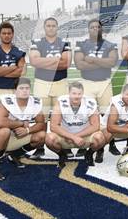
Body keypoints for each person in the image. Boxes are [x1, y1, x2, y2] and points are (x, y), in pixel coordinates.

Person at [0, 77, 46, 181]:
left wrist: (27, 130)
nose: (25, 91)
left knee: (42, 136)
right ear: (15, 90)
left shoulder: (34, 102)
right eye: (21, 88)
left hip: (17, 136)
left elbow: (41, 123)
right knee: (4, 131)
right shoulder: (7, 101)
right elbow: (0, 123)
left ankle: (14, 155)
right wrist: (21, 123)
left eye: (27, 88)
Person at [74, 19, 119, 155]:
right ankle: (85, 145)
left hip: (104, 83)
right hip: (87, 83)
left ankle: (109, 143)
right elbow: (79, 64)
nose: (95, 29)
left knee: (108, 115)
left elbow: (112, 62)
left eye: (97, 27)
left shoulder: (110, 45)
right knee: (86, 115)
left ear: (101, 29)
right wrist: (102, 63)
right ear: (88, 29)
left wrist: (92, 60)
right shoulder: (81, 44)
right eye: (92, 27)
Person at [29, 17, 72, 159]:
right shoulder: (36, 43)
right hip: (42, 83)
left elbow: (66, 63)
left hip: (60, 82)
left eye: (53, 25)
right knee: (41, 117)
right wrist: (55, 61)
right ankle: (40, 147)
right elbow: (34, 61)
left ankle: (65, 147)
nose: (51, 28)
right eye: (48, 25)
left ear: (57, 27)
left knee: (63, 116)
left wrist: (44, 61)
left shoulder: (64, 43)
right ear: (44, 27)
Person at [45, 82, 106, 167]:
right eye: (74, 93)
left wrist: (76, 136)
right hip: (65, 137)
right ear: (69, 93)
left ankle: (89, 154)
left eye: (79, 94)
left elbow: (95, 126)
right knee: (49, 139)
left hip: (84, 137)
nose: (76, 96)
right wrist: (72, 137)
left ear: (83, 94)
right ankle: (62, 155)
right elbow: (54, 126)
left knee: (100, 138)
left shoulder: (90, 103)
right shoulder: (61, 102)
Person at [97, 84, 128, 162]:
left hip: (125, 124)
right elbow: (111, 126)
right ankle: (100, 149)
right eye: (127, 94)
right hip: (108, 126)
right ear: (122, 93)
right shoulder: (116, 102)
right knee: (106, 136)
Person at [0, 22, 26, 118]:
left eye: (9, 33)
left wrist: (1, 72)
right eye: (4, 33)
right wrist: (12, 68)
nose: (6, 36)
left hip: (14, 90)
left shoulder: (19, 52)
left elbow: (21, 72)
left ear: (12, 34)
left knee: (16, 121)